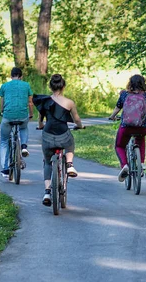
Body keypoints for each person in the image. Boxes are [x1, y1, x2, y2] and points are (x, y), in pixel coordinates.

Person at [36, 74, 84, 206]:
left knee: (47, 162)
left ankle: (47, 192)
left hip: (47, 136)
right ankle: (69, 165)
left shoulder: (44, 101)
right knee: (70, 143)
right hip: (63, 135)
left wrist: (40, 126)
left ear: (50, 87)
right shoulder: (69, 102)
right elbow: (77, 119)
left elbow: (40, 121)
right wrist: (79, 126)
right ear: (63, 87)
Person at [109, 74, 146, 182]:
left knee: (119, 146)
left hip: (126, 127)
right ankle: (141, 163)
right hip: (142, 127)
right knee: (140, 139)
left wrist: (112, 116)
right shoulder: (145, 95)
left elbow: (118, 107)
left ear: (130, 83)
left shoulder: (124, 95)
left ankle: (124, 165)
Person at [0, 67, 34, 177]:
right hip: (23, 116)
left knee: (4, 140)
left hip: (8, 116)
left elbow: (2, 102)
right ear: (21, 76)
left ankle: (5, 169)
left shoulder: (4, 86)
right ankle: (23, 146)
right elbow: (30, 102)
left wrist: (2, 111)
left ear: (11, 76)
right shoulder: (26, 85)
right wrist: (31, 114)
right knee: (23, 127)